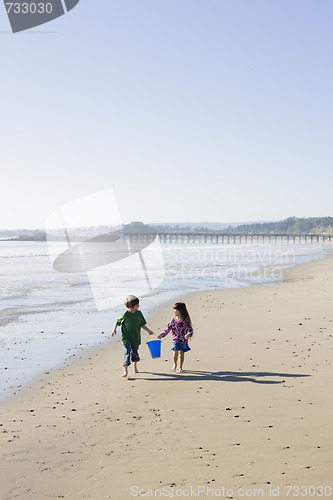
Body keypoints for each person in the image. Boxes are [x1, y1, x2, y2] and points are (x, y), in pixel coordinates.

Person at [112, 295, 154, 377]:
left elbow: (142, 324)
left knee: (135, 353)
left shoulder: (139, 313)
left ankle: (135, 366)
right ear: (131, 306)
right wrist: (114, 330)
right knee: (126, 352)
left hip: (136, 337)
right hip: (126, 337)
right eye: (137, 305)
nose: (139, 306)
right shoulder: (126, 314)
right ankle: (125, 371)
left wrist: (148, 330)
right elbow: (118, 321)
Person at [157, 302, 193, 373]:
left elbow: (190, 329)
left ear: (180, 311)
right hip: (175, 339)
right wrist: (162, 335)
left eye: (175, 310)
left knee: (181, 354)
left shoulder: (185, 320)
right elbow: (168, 329)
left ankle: (180, 367)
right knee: (175, 353)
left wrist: (188, 334)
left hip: (183, 340)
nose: (173, 311)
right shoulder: (173, 320)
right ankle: (175, 364)